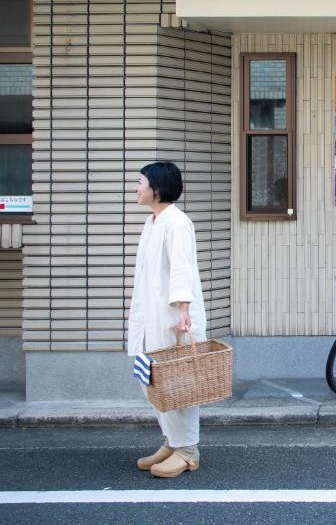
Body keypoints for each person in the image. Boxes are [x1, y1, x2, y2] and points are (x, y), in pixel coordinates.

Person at [128, 161, 207, 478]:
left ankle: (187, 449)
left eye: (140, 183)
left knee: (179, 384)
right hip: (152, 315)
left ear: (156, 189)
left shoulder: (176, 223)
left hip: (173, 318)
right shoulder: (154, 222)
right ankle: (173, 441)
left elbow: (182, 269)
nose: (136, 188)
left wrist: (184, 312)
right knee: (153, 381)